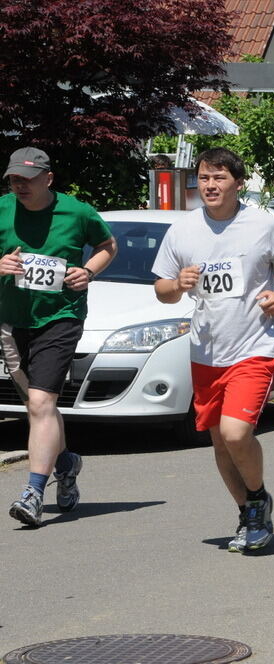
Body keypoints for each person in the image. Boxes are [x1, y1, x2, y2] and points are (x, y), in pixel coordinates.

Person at [152, 147, 274, 553]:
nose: (210, 185)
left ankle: (257, 497)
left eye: (219, 178)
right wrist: (178, 284)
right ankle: (248, 512)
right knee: (220, 441)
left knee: (237, 433)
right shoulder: (182, 230)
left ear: (238, 183)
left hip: (255, 344)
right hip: (206, 351)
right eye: (204, 178)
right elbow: (162, 290)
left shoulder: (264, 225)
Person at [0, 147, 117, 527]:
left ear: (47, 179)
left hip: (60, 317)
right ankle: (66, 462)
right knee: (39, 409)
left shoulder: (77, 212)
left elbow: (107, 246)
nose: (19, 185)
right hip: (13, 321)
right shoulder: (2, 209)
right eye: (14, 178)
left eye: (27, 179)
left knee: (40, 400)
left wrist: (89, 272)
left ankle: (33, 492)